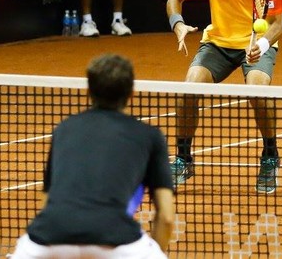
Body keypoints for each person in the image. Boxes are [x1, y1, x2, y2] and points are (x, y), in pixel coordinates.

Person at [166, 0, 282, 194]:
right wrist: (178, 23)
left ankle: (270, 156)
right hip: (218, 43)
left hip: (254, 45)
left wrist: (261, 43)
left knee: (258, 91)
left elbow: (277, 24)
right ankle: (183, 158)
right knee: (189, 87)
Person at [10, 54, 175, 258]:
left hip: (47, 239)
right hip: (117, 240)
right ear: (131, 92)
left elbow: (47, 203)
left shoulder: (64, 129)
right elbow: (166, 217)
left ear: (88, 90)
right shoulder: (150, 136)